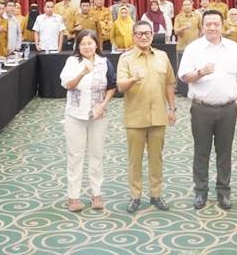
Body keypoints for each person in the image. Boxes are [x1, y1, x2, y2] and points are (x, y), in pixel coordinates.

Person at [178, 10, 237, 210]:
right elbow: (184, 77)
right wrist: (200, 72)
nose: (212, 27)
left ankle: (224, 192)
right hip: (201, 109)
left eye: (216, 24)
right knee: (201, 152)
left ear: (222, 25)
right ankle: (200, 192)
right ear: (202, 26)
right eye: (208, 24)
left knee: (225, 153)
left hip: (227, 109)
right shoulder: (193, 48)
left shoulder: (233, 48)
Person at [117, 20, 177, 213]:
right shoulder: (126, 58)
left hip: (159, 116)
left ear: (152, 35)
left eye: (147, 33)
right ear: (134, 36)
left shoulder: (162, 56)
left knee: (156, 158)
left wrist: (172, 109)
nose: (143, 36)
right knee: (135, 160)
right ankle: (135, 196)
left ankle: (156, 194)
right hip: (135, 117)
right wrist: (133, 79)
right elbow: (120, 86)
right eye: (139, 33)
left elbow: (170, 83)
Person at [60, 30, 116, 212]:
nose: (86, 47)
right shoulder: (72, 62)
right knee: (75, 156)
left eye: (90, 43)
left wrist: (103, 105)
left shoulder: (104, 61)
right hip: (75, 115)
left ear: (96, 45)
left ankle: (96, 193)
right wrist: (82, 73)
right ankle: (73, 196)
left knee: (96, 154)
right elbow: (68, 85)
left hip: (98, 116)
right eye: (82, 44)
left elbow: (111, 86)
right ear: (78, 46)